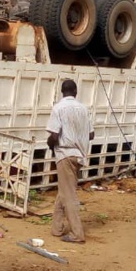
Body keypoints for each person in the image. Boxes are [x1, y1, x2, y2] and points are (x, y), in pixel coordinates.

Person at [47, 80, 94, 244]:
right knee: (64, 191)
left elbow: (53, 135)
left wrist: (50, 144)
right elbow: (91, 135)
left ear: (62, 91)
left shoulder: (58, 108)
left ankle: (77, 233)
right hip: (79, 154)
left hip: (65, 153)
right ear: (75, 91)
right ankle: (57, 228)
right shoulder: (83, 109)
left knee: (69, 195)